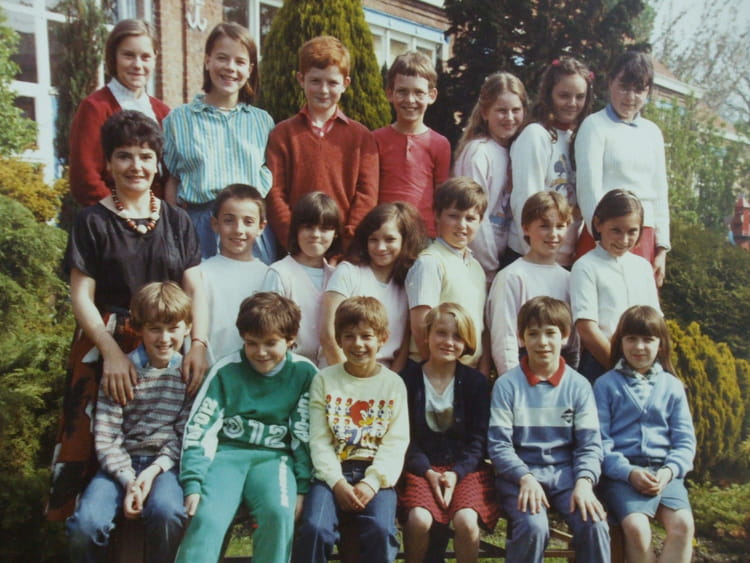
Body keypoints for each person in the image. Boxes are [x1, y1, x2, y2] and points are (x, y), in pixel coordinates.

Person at [47, 110, 209, 522]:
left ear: (158, 163)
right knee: (92, 458)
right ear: (108, 162)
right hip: (105, 342)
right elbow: (81, 296)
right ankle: (89, 533)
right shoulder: (91, 221)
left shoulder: (176, 220)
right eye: (124, 155)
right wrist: (112, 354)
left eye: (145, 156)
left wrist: (198, 344)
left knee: (167, 447)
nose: (136, 166)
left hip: (166, 344)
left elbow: (196, 288)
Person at [177, 292, 317, 563]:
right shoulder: (226, 370)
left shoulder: (304, 373)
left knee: (279, 513)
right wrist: (193, 482)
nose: (260, 352)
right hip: (227, 457)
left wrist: (302, 487)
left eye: (271, 343)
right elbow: (200, 428)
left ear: (290, 339)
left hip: (275, 459)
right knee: (207, 517)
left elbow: (305, 434)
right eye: (252, 343)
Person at [66, 281, 193, 562]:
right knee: (85, 526)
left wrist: (152, 472)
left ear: (187, 328)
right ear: (139, 328)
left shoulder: (188, 374)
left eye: (173, 328)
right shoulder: (121, 371)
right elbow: (107, 437)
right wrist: (129, 480)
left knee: (168, 513)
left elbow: (183, 434)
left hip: (165, 465)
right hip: (118, 466)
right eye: (154, 328)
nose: (164, 338)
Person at [488, 296, 610, 563]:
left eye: (550, 333)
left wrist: (584, 481)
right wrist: (524, 477)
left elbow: (590, 445)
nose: (542, 342)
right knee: (534, 527)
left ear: (564, 337)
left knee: (595, 524)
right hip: (520, 477)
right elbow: (499, 445)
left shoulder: (579, 386)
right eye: (533, 334)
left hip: (567, 477)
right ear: (521, 339)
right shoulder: (507, 386)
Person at [294, 297, 409, 563]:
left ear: (382, 339)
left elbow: (396, 442)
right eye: (349, 336)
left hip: (376, 476)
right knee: (314, 529)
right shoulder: (324, 380)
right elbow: (319, 440)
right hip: (331, 474)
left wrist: (372, 482)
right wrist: (336, 482)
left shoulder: (393, 384)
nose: (358, 344)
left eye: (366, 336)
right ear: (338, 339)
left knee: (381, 531)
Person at [163, 22, 276, 262]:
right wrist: (175, 226)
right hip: (200, 225)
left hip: (249, 228)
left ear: (250, 69)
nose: (230, 68)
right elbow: (172, 179)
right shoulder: (179, 119)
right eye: (222, 58)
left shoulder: (262, 121)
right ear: (207, 61)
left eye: (240, 61)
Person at [594, 305, 696, 563]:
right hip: (623, 477)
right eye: (631, 339)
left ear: (660, 345)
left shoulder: (672, 386)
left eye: (648, 339)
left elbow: (685, 442)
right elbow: (599, 442)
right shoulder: (606, 385)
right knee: (637, 529)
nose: (639, 347)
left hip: (665, 475)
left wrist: (669, 471)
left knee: (683, 525)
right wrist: (629, 472)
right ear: (620, 342)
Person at [399, 303, 500, 562]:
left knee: (465, 520)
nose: (448, 342)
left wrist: (457, 473)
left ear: (466, 343)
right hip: (421, 469)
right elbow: (404, 437)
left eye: (457, 337)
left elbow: (479, 440)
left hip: (465, 469)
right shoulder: (407, 380)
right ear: (427, 335)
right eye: (441, 333)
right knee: (419, 519)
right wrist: (427, 471)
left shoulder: (476, 383)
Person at [266, 35, 379, 251]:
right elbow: (275, 193)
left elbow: (367, 195)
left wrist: (347, 244)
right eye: (315, 81)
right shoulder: (283, 134)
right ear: (301, 79)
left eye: (332, 82)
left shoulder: (361, 137)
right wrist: (294, 242)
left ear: (345, 84)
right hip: (294, 250)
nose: (324, 90)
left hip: (343, 253)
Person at [575, 51, 669, 286]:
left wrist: (661, 248)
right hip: (604, 234)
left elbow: (660, 193)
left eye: (639, 90)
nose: (630, 97)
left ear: (648, 91)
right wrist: (602, 239)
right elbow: (588, 190)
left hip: (642, 235)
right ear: (610, 82)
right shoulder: (594, 126)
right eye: (624, 88)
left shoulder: (652, 133)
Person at [69, 19, 170, 206]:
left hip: (157, 217)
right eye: (128, 55)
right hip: (111, 217)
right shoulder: (95, 107)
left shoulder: (163, 113)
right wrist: (123, 215)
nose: (137, 65)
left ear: (155, 58)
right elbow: (85, 178)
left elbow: (170, 175)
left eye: (145, 57)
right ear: (113, 57)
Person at [320, 202, 427, 372]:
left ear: (405, 240)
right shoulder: (348, 272)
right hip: (340, 372)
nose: (380, 247)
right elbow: (328, 334)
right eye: (373, 239)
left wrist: (390, 380)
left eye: (390, 239)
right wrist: (349, 380)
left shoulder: (406, 283)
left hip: (383, 377)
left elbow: (403, 347)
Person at [509, 56, 594, 268]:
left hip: (564, 259)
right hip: (532, 257)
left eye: (580, 97)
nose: (572, 103)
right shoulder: (536, 135)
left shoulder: (579, 138)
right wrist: (536, 257)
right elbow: (525, 201)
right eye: (564, 95)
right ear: (549, 94)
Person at [571, 189, 662, 382]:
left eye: (632, 231)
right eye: (616, 230)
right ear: (598, 224)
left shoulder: (643, 267)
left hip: (642, 363)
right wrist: (620, 370)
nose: (624, 240)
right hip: (601, 363)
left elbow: (656, 321)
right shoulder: (586, 266)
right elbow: (586, 327)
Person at [487, 191, 579, 375]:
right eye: (544, 226)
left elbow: (574, 341)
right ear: (526, 228)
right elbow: (504, 338)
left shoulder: (569, 278)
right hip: (522, 369)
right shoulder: (512, 276)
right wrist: (514, 383)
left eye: (560, 226)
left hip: (561, 371)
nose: (553, 234)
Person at [406, 177, 489, 372]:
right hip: (433, 372)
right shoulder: (430, 262)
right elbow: (421, 325)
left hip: (465, 371)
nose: (462, 225)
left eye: (470, 218)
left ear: (480, 221)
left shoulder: (476, 267)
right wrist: (438, 371)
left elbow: (480, 327)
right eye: (453, 216)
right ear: (437, 215)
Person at [453, 71, 528, 281]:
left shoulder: (515, 150)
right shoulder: (479, 152)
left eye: (516, 110)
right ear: (485, 112)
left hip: (504, 261)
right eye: (501, 111)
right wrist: (491, 268)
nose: (510, 118)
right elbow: (475, 214)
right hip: (478, 267)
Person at [373, 51, 451, 238]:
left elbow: (442, 196)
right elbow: (369, 191)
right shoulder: (375, 139)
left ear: (431, 95)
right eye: (402, 91)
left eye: (418, 92)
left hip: (424, 234)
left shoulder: (440, 144)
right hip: (385, 233)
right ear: (390, 93)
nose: (410, 100)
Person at [263, 192, 341, 366]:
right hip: (289, 369)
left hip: (330, 369)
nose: (316, 234)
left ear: (335, 233)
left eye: (325, 228)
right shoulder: (280, 273)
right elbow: (268, 329)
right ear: (296, 230)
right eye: (308, 227)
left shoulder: (337, 276)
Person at [200, 184, 268, 363]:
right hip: (212, 371)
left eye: (248, 222)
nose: (238, 230)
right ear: (215, 224)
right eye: (229, 220)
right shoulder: (201, 274)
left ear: (261, 227)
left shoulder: (269, 275)